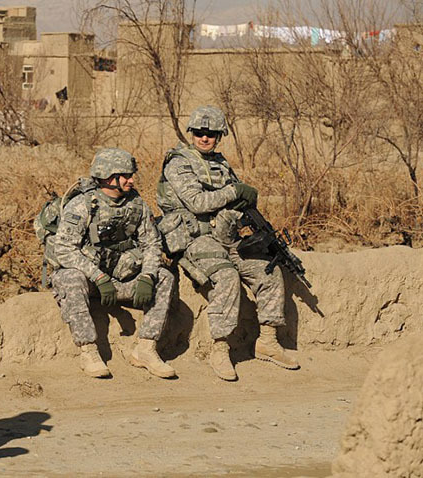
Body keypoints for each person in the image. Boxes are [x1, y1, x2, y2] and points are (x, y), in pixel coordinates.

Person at [156, 105, 299, 381]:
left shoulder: (221, 164)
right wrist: (235, 191)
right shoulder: (179, 162)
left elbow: (234, 203)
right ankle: (219, 348)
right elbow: (197, 203)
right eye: (199, 132)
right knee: (227, 276)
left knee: (268, 271)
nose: (205, 138)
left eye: (211, 133)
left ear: (220, 135)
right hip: (194, 239)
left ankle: (267, 341)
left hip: (225, 237)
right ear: (192, 133)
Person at [51, 148, 176, 379]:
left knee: (164, 277)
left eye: (131, 175)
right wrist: (98, 277)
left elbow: (152, 243)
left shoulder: (137, 205)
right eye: (126, 175)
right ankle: (88, 351)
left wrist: (147, 276)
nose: (131, 180)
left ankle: (146, 349)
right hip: (91, 281)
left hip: (121, 279)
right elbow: (64, 250)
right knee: (69, 277)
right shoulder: (82, 205)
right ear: (109, 177)